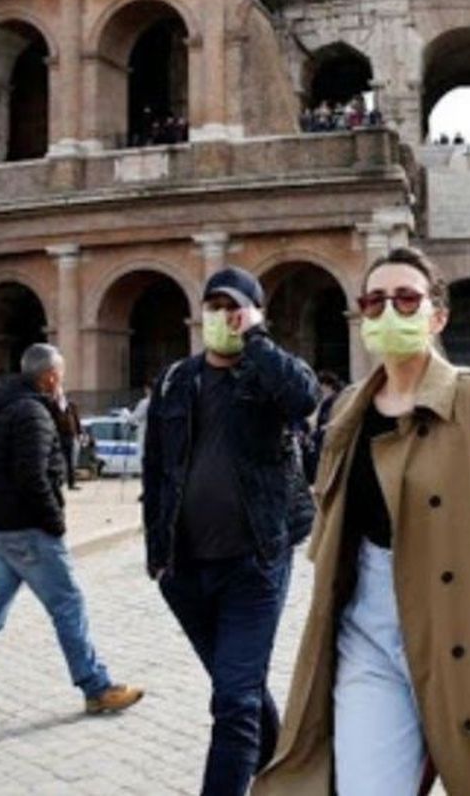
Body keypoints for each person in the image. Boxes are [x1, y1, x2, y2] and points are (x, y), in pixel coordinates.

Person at [256, 246, 470, 796]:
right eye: (374, 301)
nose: (388, 312)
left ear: (437, 315)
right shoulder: (349, 410)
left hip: (465, 631)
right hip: (368, 629)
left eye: (406, 298)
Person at [143, 266, 318, 796]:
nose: (223, 316)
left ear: (253, 313)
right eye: (214, 306)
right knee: (237, 686)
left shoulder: (267, 376)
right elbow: (156, 468)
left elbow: (304, 398)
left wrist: (257, 339)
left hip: (255, 562)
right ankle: (286, 763)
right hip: (187, 570)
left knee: (234, 699)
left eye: (234, 307)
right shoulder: (176, 380)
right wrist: (157, 553)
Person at [0, 343, 145, 732]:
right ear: (50, 377)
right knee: (68, 604)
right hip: (29, 529)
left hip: (1, 527)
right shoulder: (33, 413)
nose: (63, 383)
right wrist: (55, 521)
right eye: (60, 377)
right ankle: (96, 686)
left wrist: (62, 413)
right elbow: (34, 474)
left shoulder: (7, 409)